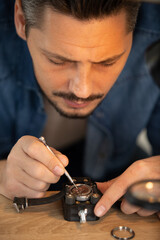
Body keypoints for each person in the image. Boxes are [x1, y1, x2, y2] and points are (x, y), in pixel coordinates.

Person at [0, 0, 160, 218]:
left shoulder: (156, 34)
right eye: (58, 60)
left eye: (107, 62)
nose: (82, 91)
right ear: (21, 21)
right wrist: (2, 174)